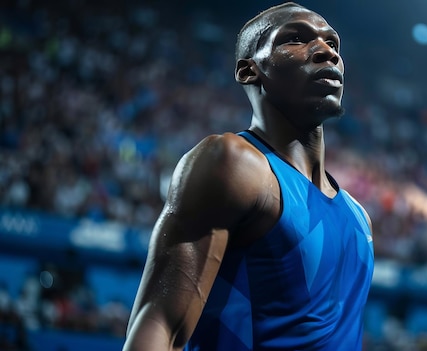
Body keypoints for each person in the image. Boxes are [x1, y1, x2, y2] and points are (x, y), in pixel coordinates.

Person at [123, 2, 374, 350]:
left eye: (333, 43)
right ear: (249, 70)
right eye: (296, 39)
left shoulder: (359, 217)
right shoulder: (232, 163)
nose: (326, 52)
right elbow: (160, 322)